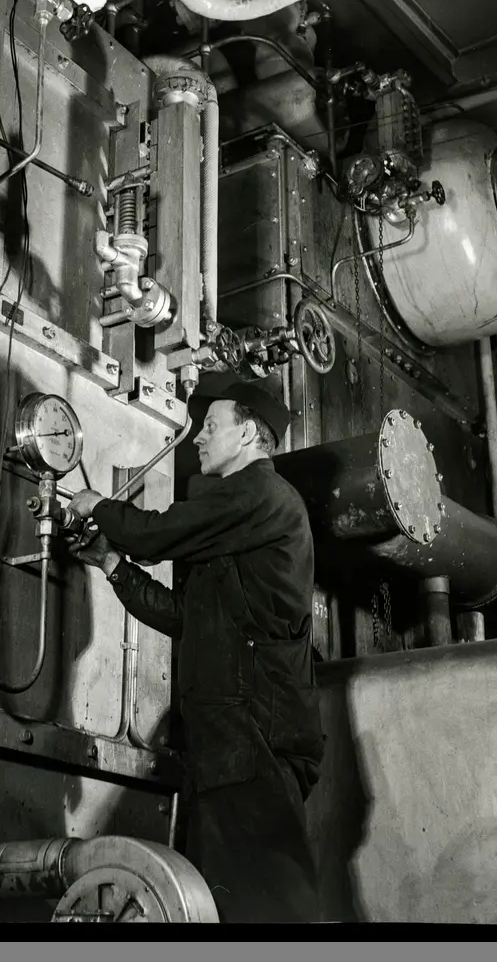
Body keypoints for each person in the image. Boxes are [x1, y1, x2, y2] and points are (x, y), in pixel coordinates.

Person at [65, 382, 325, 923]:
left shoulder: (261, 494)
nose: (199, 438)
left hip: (254, 739)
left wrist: (97, 507)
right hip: (227, 744)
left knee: (268, 907)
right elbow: (184, 616)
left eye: (211, 426)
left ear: (247, 434)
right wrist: (112, 564)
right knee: (225, 906)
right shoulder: (238, 523)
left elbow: (160, 533)